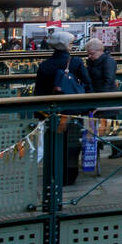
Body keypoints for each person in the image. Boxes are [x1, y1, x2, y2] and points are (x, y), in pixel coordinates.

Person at [33, 30, 92, 185]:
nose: (72, 45)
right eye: (71, 43)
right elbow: (87, 84)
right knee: (72, 143)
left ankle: (54, 174)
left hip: (52, 112)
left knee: (52, 142)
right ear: (65, 45)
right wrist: (88, 106)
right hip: (73, 110)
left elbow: (39, 91)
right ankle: (70, 174)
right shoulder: (76, 62)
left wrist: (39, 113)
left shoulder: (44, 66)